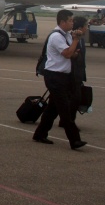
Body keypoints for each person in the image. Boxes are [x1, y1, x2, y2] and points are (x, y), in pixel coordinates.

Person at [32, 10, 87, 150]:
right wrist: (75, 41)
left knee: (53, 108)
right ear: (62, 22)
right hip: (54, 76)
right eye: (70, 21)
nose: (72, 23)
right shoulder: (56, 36)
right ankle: (74, 140)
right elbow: (69, 53)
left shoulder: (67, 35)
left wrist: (74, 43)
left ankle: (40, 133)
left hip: (63, 76)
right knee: (65, 110)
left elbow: (74, 53)